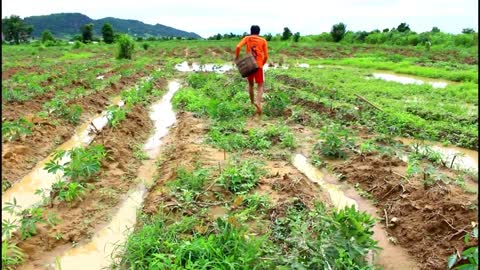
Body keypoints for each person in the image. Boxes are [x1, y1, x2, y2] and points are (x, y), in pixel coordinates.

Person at [235, 25, 268, 115]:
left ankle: (252, 103)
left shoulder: (247, 38)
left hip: (249, 64)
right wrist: (262, 64)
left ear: (251, 31)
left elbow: (238, 47)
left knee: (250, 84)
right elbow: (266, 56)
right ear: (259, 32)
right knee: (260, 85)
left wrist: (237, 57)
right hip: (258, 65)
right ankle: (258, 102)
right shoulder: (263, 41)